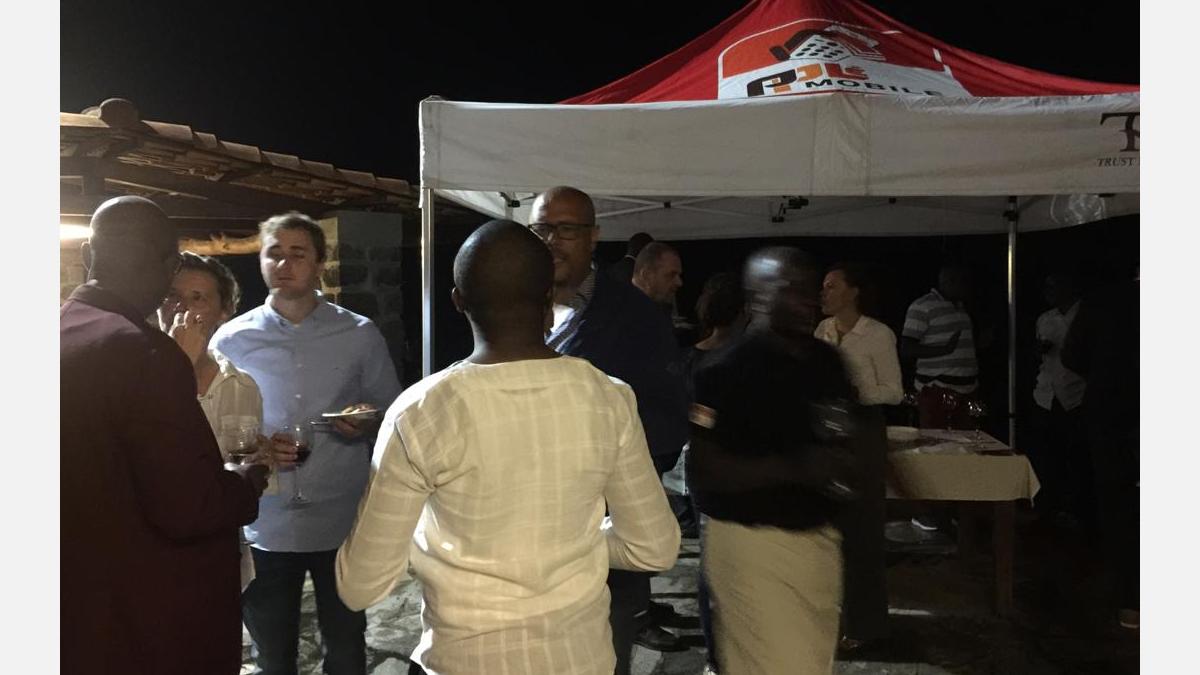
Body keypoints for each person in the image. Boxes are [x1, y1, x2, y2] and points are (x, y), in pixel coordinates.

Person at [336, 220, 681, 675]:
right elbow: (654, 547)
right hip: (581, 661)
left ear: (458, 301)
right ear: (548, 298)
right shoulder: (608, 397)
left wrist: (431, 544)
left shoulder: (420, 413)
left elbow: (360, 585)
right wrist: (572, 543)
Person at [61, 196, 268, 675]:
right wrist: (246, 481)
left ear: (89, 255)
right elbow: (188, 506)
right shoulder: (144, 351)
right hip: (144, 614)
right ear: (167, 267)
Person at [212, 211, 403, 675]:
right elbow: (214, 425)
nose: (284, 264)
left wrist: (364, 420)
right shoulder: (232, 339)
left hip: (340, 513)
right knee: (273, 653)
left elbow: (390, 410)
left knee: (347, 647)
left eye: (297, 254)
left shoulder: (358, 333)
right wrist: (256, 447)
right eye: (274, 253)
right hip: (265, 517)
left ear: (319, 263)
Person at [530, 186, 690, 670]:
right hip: (524, 537)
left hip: (601, 543)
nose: (551, 240)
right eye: (541, 228)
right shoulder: (509, 303)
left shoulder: (634, 316)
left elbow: (667, 418)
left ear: (593, 237)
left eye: (566, 229)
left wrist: (608, 474)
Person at [688, 246, 860, 675]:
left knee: (811, 663)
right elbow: (706, 472)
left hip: (817, 542)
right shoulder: (724, 370)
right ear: (759, 296)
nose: (807, 298)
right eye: (791, 288)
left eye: (810, 287)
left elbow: (845, 435)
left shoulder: (827, 362)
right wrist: (796, 467)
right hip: (752, 547)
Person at [157, 251, 268, 590]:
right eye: (172, 296)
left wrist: (264, 461)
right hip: (156, 557)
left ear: (223, 312)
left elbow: (246, 473)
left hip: (222, 554)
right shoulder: (132, 377)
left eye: (198, 298)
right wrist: (178, 367)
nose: (181, 309)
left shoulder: (242, 385)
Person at [815, 262, 899, 650]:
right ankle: (833, 617)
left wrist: (856, 390)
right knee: (830, 530)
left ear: (854, 291)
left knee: (863, 530)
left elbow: (894, 391)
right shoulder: (823, 330)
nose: (824, 292)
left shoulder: (877, 334)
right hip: (829, 430)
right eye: (823, 286)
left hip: (863, 430)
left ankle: (866, 625)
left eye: (832, 286)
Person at [1062, 268, 1139, 629]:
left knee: (1120, 502)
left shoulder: (1105, 300)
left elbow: (1072, 356)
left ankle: (1132, 599)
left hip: (1115, 411)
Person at [1029, 271, 1090, 523]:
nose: (1049, 292)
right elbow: (1037, 353)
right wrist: (1039, 350)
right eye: (1047, 287)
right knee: (1046, 454)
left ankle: (1075, 508)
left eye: (1054, 286)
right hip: (1046, 393)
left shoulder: (1085, 315)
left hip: (1077, 394)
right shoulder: (1045, 319)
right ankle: (1047, 506)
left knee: (1075, 455)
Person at [900, 263, 978, 428]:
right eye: (964, 282)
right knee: (937, 440)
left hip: (967, 389)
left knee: (966, 440)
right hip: (937, 389)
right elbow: (907, 349)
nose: (967, 287)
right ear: (949, 281)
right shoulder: (923, 306)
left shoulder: (961, 306)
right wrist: (945, 350)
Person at [632, 242, 684, 309]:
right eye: (671, 275)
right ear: (646, 275)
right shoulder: (624, 309)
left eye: (678, 275)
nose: (679, 282)